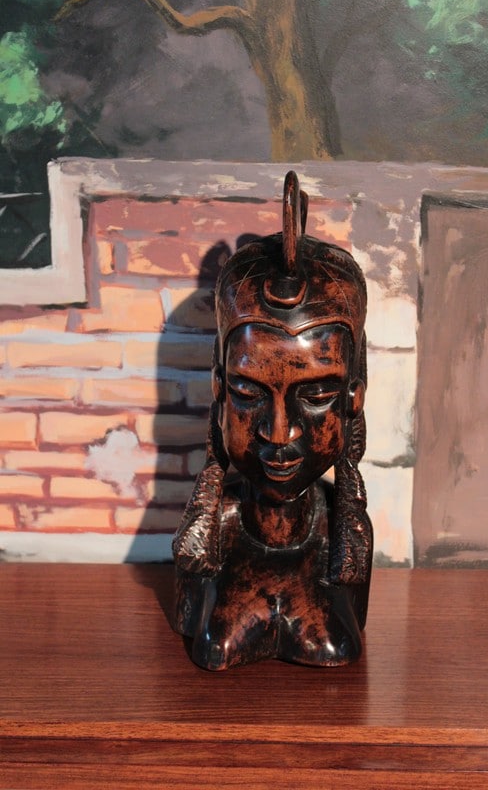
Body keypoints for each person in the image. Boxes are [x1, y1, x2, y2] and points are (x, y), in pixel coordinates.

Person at [173, 172, 372, 670]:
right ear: (220, 389)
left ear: (354, 397)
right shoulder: (211, 536)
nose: (279, 432)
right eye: (249, 393)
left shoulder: (342, 537)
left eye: (317, 395)